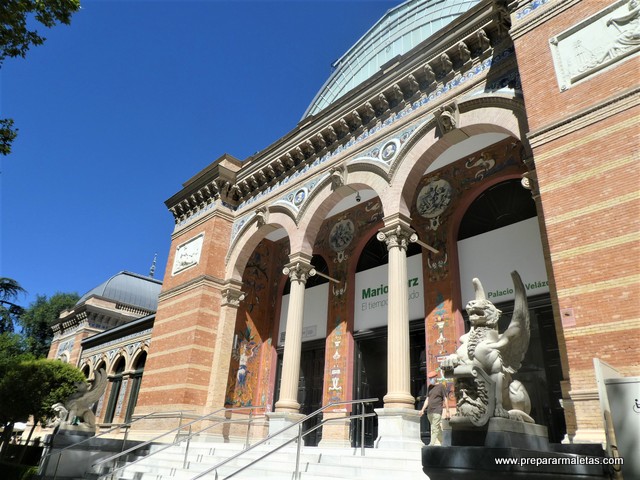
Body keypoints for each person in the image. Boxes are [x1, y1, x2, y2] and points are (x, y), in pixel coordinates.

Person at [419, 370, 450, 446]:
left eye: (431, 378)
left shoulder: (441, 386)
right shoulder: (429, 387)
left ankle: (431, 444)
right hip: (430, 411)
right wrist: (422, 410)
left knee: (434, 427)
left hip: (437, 410)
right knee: (437, 428)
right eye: (429, 378)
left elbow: (445, 398)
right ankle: (444, 443)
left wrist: (447, 411)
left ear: (435, 377)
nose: (430, 380)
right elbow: (427, 399)